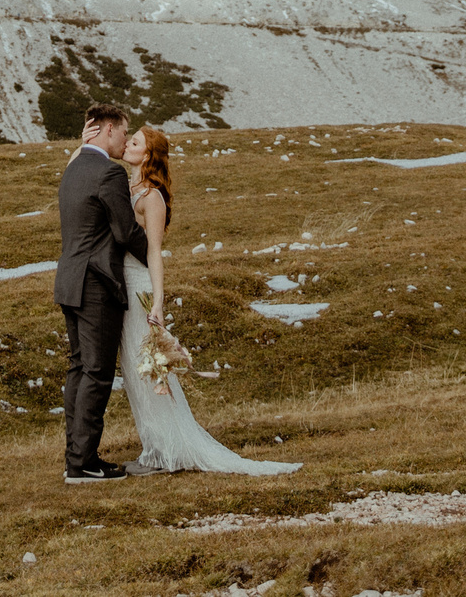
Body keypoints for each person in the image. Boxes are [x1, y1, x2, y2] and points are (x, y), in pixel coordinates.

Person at [115, 123, 300, 475]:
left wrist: (157, 301)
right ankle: (154, 448)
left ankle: (169, 451)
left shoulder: (151, 197)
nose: (127, 144)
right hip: (120, 286)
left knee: (151, 370)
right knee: (132, 369)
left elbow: (154, 252)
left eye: (134, 142)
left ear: (148, 154)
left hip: (138, 283)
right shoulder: (125, 187)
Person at [54, 101, 146, 482]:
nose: (126, 140)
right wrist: (155, 253)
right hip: (96, 285)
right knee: (96, 372)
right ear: (108, 130)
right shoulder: (108, 172)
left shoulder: (74, 168)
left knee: (79, 369)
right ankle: (83, 463)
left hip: (69, 280)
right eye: (124, 132)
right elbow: (125, 231)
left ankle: (76, 456)